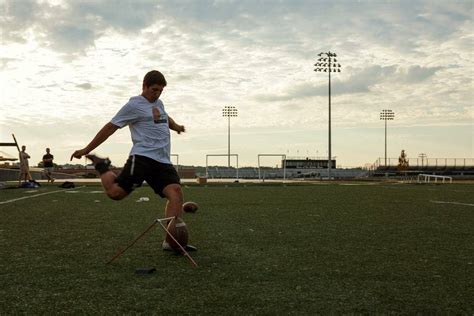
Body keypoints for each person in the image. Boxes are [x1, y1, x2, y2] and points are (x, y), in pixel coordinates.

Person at [70, 70, 196, 252]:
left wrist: (176, 127)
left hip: (162, 160)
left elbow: (165, 117)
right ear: (144, 86)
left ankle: (171, 241)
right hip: (143, 157)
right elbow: (111, 126)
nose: (157, 94)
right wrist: (86, 150)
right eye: (154, 90)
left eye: (161, 90)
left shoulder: (159, 103)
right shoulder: (133, 105)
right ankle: (101, 165)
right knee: (115, 193)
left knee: (175, 192)